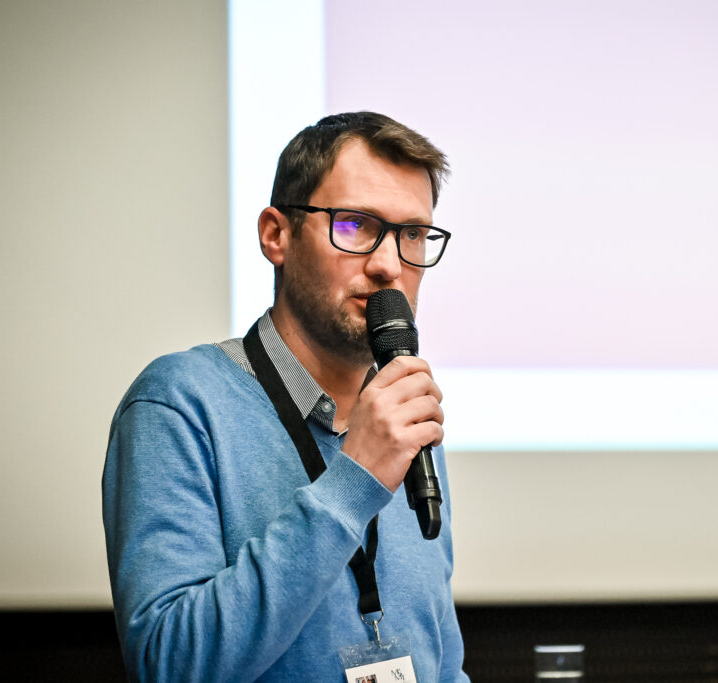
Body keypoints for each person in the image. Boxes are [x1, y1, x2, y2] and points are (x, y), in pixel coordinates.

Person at [102, 112, 469, 681]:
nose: (388, 265)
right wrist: (354, 481)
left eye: (413, 234)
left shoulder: (404, 418)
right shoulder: (178, 405)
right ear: (277, 235)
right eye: (355, 225)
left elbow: (443, 663)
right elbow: (168, 665)